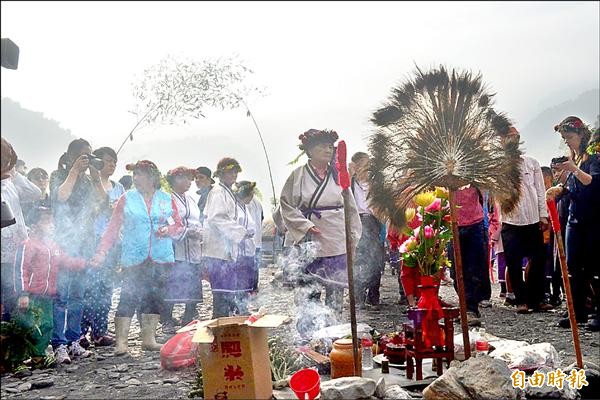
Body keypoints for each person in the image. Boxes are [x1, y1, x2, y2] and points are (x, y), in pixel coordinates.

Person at [92, 160, 183, 355]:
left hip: (161, 256)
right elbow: (113, 227)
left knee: (155, 296)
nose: (135, 178)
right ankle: (122, 342)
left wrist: (168, 229)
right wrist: (102, 251)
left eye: (139, 174)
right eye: (134, 175)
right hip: (134, 256)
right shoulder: (127, 198)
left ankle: (148, 339)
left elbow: (179, 225)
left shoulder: (166, 198)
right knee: (129, 295)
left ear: (152, 177)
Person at [279, 129, 361, 336]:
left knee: (335, 291)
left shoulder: (338, 175)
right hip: (310, 237)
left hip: (336, 236)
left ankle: (334, 333)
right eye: (322, 146)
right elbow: (286, 205)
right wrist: (304, 225)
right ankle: (308, 335)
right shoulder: (297, 175)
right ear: (309, 151)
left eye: (329, 147)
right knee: (309, 289)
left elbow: (350, 207)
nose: (327, 150)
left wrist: (352, 235)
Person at [12, 206, 90, 368]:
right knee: (29, 327)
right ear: (34, 225)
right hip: (32, 295)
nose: (52, 224)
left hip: (47, 295)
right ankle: (19, 359)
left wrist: (84, 264)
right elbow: (21, 269)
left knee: (46, 325)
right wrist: (23, 293)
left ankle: (39, 357)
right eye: (46, 221)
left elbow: (64, 260)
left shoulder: (52, 246)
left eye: (51, 220)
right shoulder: (28, 245)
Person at [49, 138, 105, 361]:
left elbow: (103, 200)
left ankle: (74, 340)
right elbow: (61, 196)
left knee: (78, 296)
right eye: (84, 156)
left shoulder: (89, 181)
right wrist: (74, 171)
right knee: (61, 295)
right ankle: (58, 344)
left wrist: (96, 178)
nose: (87, 160)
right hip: (64, 242)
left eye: (90, 156)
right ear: (71, 156)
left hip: (85, 242)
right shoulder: (58, 175)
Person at [546, 117, 599, 330]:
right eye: (564, 138)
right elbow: (574, 186)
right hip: (574, 218)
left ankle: (597, 311)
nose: (567, 142)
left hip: (594, 219)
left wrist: (574, 170)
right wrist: (560, 189)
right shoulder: (574, 158)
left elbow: (592, 182)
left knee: (595, 267)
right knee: (573, 267)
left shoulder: (593, 156)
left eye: (569, 137)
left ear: (581, 136)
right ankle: (576, 311)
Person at [501, 127, 553, 315]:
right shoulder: (499, 166)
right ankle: (521, 301)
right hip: (510, 221)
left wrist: (543, 215)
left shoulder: (532, 163)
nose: (512, 140)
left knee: (538, 260)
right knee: (513, 262)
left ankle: (537, 299)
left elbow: (540, 191)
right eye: (508, 138)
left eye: (515, 137)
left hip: (533, 220)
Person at [80, 147, 125, 347]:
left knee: (106, 288)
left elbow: (124, 212)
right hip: (91, 240)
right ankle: (81, 332)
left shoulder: (119, 188)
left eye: (114, 162)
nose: (111, 165)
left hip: (113, 241)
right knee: (89, 287)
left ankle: (100, 330)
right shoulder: (87, 184)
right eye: (107, 161)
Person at [203, 158, 256, 318]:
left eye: (235, 172)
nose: (233, 175)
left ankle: (226, 323)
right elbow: (216, 218)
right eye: (229, 171)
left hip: (227, 250)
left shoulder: (228, 192)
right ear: (220, 174)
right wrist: (240, 232)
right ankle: (219, 326)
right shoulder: (218, 192)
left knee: (227, 293)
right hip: (218, 250)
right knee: (221, 294)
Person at [1, 138, 42, 322]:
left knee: (13, 300)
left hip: (15, 254)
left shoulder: (11, 183)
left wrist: (14, 174)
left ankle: (11, 343)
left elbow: (36, 193)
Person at [161, 167, 204, 330]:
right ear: (175, 180)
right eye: (185, 178)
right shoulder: (167, 199)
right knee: (173, 283)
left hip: (192, 248)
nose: (189, 182)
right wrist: (186, 231)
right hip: (176, 248)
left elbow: (196, 219)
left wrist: (198, 231)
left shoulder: (191, 199)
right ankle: (167, 319)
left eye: (190, 179)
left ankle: (189, 316)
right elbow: (168, 222)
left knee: (193, 282)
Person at [447, 185, 490, 326]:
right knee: (455, 272)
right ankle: (465, 306)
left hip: (474, 223)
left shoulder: (474, 170)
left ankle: (470, 308)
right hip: (450, 224)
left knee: (473, 269)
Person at [350, 151, 385, 310]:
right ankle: (358, 297)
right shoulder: (349, 183)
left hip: (374, 221)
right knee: (359, 260)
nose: (367, 168)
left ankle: (373, 296)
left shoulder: (375, 185)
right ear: (356, 166)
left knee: (376, 259)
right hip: (356, 221)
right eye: (364, 165)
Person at [234, 181, 262, 293]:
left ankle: (245, 302)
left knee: (248, 275)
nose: (252, 196)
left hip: (251, 244)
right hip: (240, 248)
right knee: (241, 278)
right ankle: (239, 304)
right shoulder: (236, 207)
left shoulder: (248, 205)